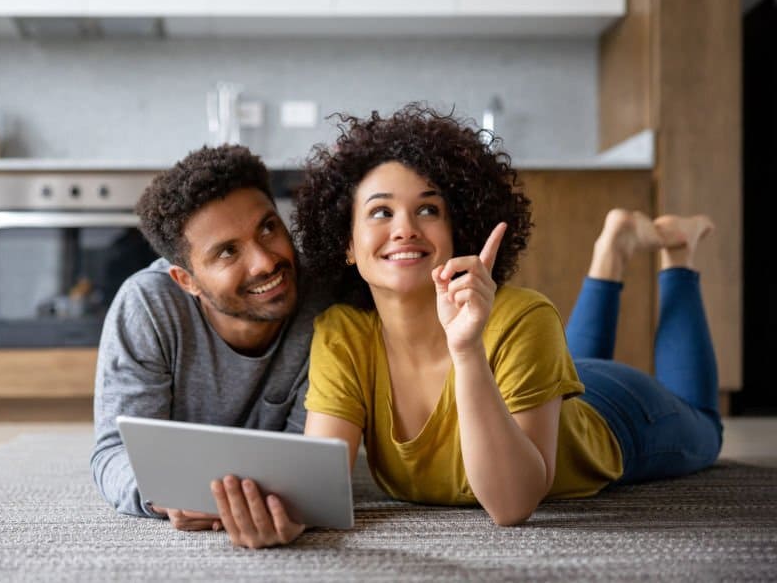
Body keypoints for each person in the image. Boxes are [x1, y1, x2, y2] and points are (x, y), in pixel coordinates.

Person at [209, 103, 723, 548]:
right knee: (570, 362)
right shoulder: (342, 332)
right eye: (380, 212)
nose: (405, 228)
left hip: (618, 420)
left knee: (706, 426)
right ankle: (612, 250)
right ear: (346, 243)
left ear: (459, 231)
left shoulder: (522, 317)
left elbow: (511, 505)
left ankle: (678, 253)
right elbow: (321, 481)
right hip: (548, 385)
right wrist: (280, 517)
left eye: (427, 209)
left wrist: (468, 348)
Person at [91, 144, 328, 530]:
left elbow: (312, 460)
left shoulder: (323, 302)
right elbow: (114, 452)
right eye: (227, 252)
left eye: (268, 228)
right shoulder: (148, 306)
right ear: (187, 281)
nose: (265, 262)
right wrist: (164, 494)